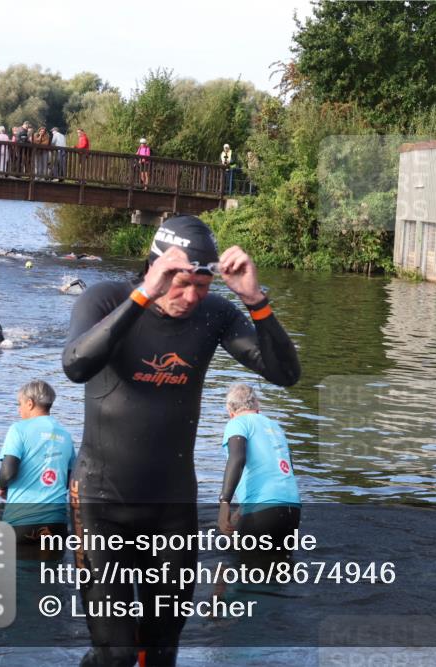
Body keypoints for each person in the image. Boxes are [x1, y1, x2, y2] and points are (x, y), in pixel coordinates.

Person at [62, 214, 300, 666]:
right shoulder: (106, 299)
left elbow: (285, 373)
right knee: (116, 653)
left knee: (161, 649)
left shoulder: (214, 315)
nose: (191, 297)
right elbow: (75, 365)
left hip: (171, 511)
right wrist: (143, 296)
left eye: (202, 286)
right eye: (180, 283)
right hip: (102, 505)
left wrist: (255, 300)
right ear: (156, 268)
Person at [217, 384, 301, 554]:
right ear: (257, 406)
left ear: (230, 411)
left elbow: (237, 459)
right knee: (280, 565)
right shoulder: (276, 427)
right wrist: (242, 510)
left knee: (238, 563)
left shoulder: (237, 423)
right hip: (292, 509)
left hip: (262, 511)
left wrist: (224, 503)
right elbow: (285, 470)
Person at [0, 380, 76, 548]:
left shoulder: (18, 429)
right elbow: (70, 479)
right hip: (57, 523)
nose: (19, 409)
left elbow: (8, 472)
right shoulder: (66, 435)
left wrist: (1, 486)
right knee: (50, 565)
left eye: (20, 404)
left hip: (22, 521)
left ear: (30, 403)